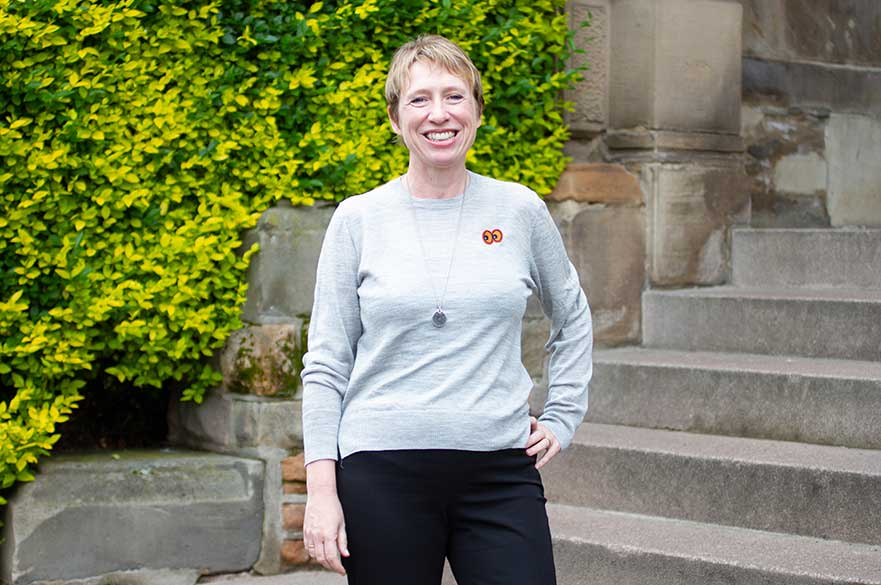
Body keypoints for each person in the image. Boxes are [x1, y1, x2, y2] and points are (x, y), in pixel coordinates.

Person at [300, 34, 592, 585]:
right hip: (381, 471)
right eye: (420, 99)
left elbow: (572, 314)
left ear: (478, 112)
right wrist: (321, 490)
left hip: (499, 472)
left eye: (455, 97)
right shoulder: (357, 219)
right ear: (395, 118)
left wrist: (562, 415)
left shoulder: (519, 209)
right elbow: (326, 363)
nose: (440, 114)